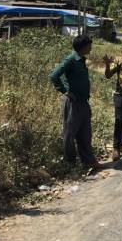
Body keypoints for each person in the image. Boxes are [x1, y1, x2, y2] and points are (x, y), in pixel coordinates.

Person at [50, 34, 100, 171]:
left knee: (85, 133)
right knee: (69, 133)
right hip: (72, 102)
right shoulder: (71, 59)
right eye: (89, 45)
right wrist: (65, 90)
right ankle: (70, 164)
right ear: (82, 47)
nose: (91, 47)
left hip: (83, 102)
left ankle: (88, 161)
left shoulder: (81, 60)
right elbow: (54, 75)